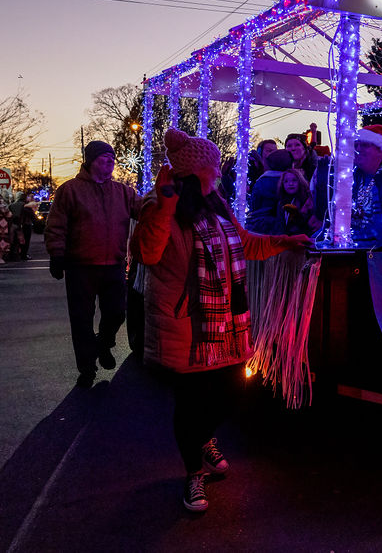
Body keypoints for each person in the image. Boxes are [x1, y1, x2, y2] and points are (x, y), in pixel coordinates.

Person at [130, 127, 311, 513]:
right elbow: (147, 252)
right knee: (191, 403)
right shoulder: (158, 205)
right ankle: (194, 472)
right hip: (186, 322)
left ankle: (203, 439)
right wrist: (165, 205)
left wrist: (283, 242)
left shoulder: (217, 204)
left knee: (233, 391)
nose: (217, 171)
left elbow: (245, 243)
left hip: (226, 321)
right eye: (212, 166)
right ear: (196, 171)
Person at [45, 140, 140, 388]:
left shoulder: (123, 193)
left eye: (112, 160)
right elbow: (56, 225)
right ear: (90, 161)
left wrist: (165, 196)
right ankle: (87, 368)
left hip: (114, 265)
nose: (110, 164)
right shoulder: (70, 191)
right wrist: (57, 254)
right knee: (81, 319)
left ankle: (104, 343)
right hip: (81, 266)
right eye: (104, 159)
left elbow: (146, 211)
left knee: (117, 312)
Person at [245, 149, 293, 234]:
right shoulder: (289, 181)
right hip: (280, 225)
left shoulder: (261, 181)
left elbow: (254, 204)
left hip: (259, 223)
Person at [275, 168, 320, 236]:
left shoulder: (306, 200)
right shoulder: (281, 202)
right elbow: (280, 224)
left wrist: (296, 215)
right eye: (286, 181)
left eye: (294, 180)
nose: (290, 184)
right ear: (282, 184)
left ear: (300, 181)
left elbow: (308, 224)